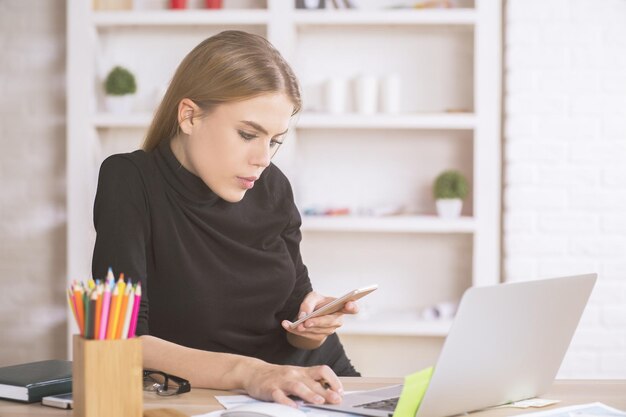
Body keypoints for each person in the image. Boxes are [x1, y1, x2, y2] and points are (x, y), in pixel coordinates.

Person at [91, 30, 361, 407]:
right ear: (189, 116)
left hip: (314, 385)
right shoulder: (131, 180)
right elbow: (121, 341)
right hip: (222, 399)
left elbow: (293, 317)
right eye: (248, 134)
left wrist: (313, 327)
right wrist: (252, 373)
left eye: (274, 140)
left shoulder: (272, 186)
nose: (263, 158)